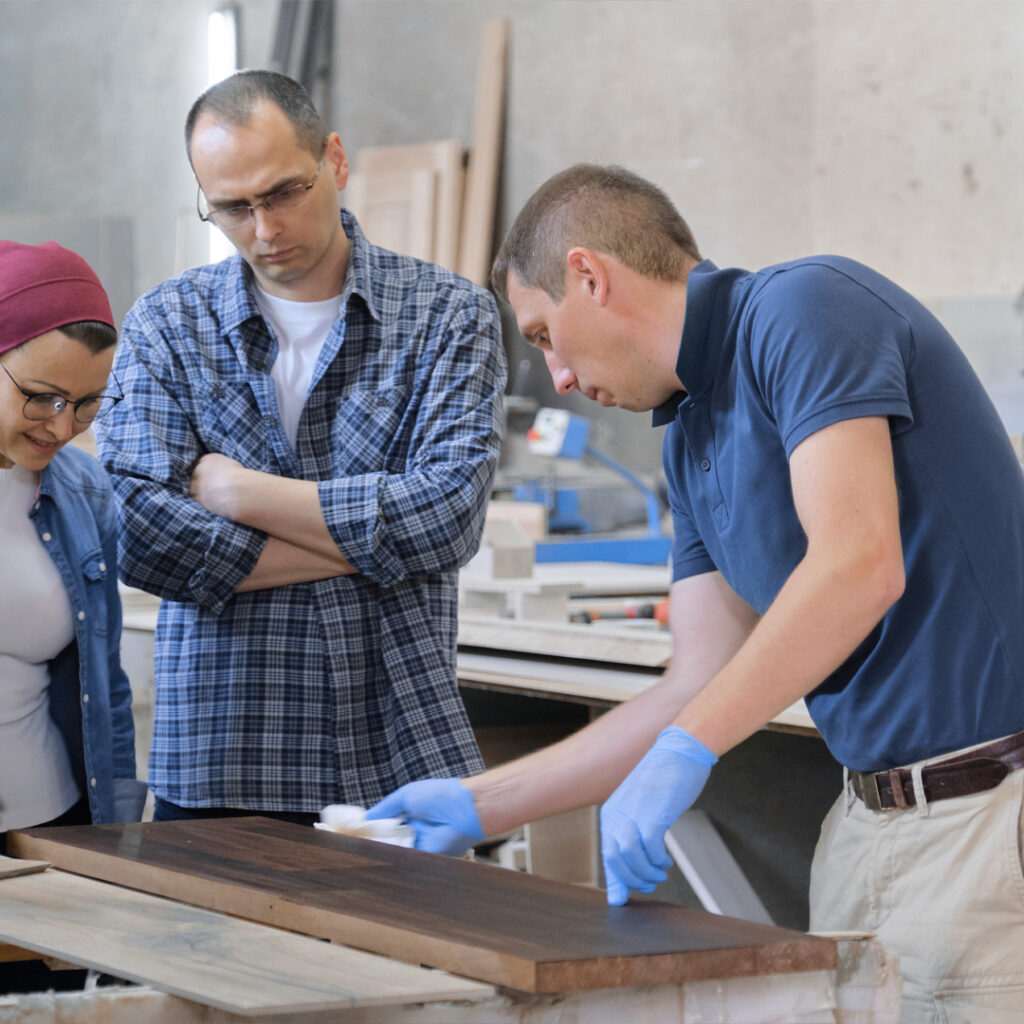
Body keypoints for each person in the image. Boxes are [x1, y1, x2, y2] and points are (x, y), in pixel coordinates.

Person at [367, 164, 1024, 1022]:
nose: (557, 377)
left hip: (982, 821)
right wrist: (478, 803)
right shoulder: (687, 438)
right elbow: (692, 684)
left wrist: (689, 748)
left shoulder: (805, 309)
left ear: (590, 277)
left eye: (543, 336)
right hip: (866, 821)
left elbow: (859, 563)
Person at [94, 70, 505, 825]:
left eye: (284, 192)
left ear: (336, 162)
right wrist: (373, 543)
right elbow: (138, 532)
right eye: (232, 208)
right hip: (219, 755)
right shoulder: (167, 325)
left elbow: (449, 517)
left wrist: (236, 493)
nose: (264, 229)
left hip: (397, 748)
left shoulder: (448, 316)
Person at [0, 240, 147, 854]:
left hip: (47, 820)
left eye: (86, 404)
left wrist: (114, 833)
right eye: (42, 396)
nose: (61, 428)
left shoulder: (83, 493)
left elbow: (102, 684)